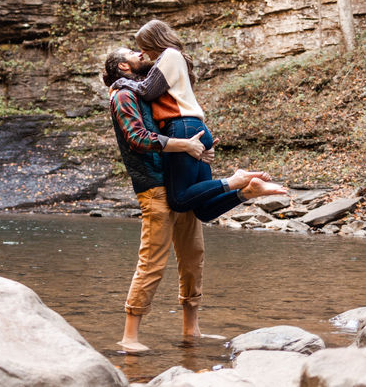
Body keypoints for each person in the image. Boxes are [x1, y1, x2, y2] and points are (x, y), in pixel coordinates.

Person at [103, 48, 274, 353]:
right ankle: (129, 338)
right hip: (154, 189)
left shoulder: (148, 93)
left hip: (177, 182)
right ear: (122, 65)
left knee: (193, 258)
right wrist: (186, 145)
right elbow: (137, 139)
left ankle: (191, 331)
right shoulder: (122, 96)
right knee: (152, 262)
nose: (141, 52)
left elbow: (170, 131)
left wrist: (198, 150)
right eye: (133, 52)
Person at [110, 20, 287, 221]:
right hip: (194, 128)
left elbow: (147, 91)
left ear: (153, 41)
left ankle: (236, 179)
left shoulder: (170, 55)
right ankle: (248, 191)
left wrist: (119, 82)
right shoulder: (170, 60)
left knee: (178, 200)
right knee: (203, 211)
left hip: (182, 126)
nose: (144, 53)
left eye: (144, 47)